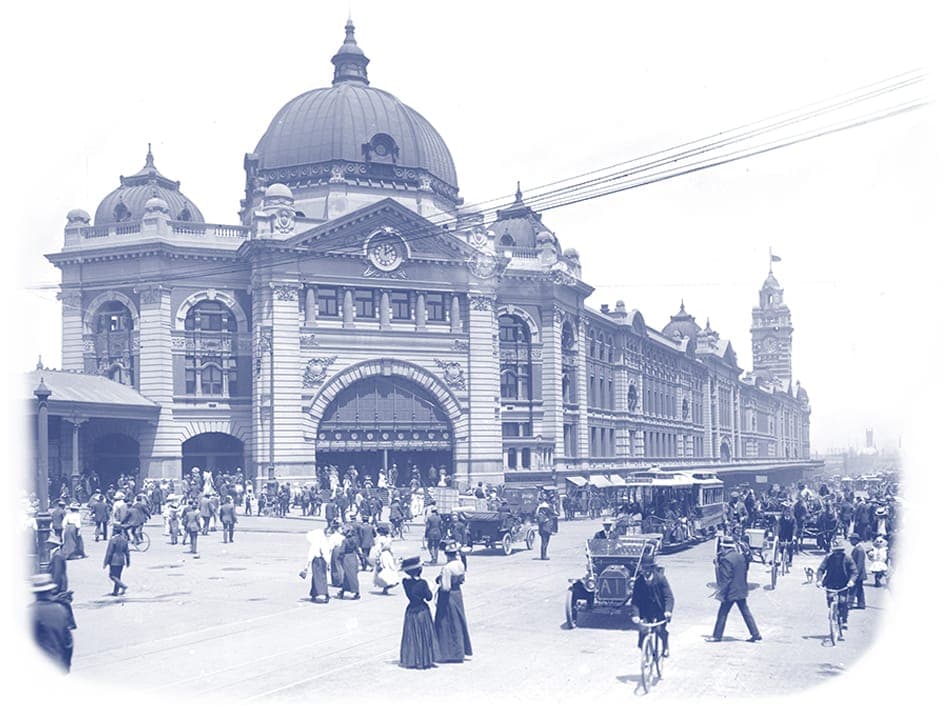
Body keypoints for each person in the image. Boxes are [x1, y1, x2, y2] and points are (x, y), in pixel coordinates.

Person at [708, 535, 762, 642]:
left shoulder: (726, 559)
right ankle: (755, 634)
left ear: (724, 547)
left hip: (731, 591)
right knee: (745, 612)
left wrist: (721, 592)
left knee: (722, 613)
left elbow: (726, 578)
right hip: (741, 588)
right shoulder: (740, 556)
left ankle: (717, 636)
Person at [629, 553, 675, 658]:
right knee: (643, 631)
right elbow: (635, 600)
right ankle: (646, 650)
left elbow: (669, 597)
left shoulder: (661, 579)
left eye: (648, 568)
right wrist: (635, 615)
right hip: (646, 610)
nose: (646, 571)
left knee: (659, 630)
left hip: (660, 610)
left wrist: (668, 611)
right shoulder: (639, 581)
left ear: (652, 568)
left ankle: (665, 645)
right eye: (644, 568)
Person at [434, 541, 472, 662]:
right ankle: (460, 651)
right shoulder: (460, 564)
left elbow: (445, 586)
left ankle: (447, 652)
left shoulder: (447, 568)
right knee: (458, 620)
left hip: (448, 596)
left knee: (446, 622)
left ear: (446, 554)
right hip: (457, 594)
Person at [398, 556, 439, 669]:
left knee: (413, 636)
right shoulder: (422, 583)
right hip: (422, 610)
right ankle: (425, 659)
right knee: (424, 635)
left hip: (411, 609)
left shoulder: (405, 582)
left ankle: (413, 659)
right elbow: (429, 597)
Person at [31, 574, 74, 673]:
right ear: (50, 590)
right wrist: (66, 665)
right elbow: (68, 642)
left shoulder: (30, 612)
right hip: (58, 663)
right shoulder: (61, 610)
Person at [816, 536, 858, 633]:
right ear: (833, 551)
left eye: (840, 552)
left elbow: (854, 572)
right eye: (836, 552)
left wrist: (851, 581)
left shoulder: (848, 558)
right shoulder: (828, 558)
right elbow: (821, 569)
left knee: (843, 602)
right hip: (830, 582)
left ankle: (844, 620)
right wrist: (819, 580)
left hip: (844, 583)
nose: (838, 554)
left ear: (842, 551)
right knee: (830, 598)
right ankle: (832, 613)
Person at [103, 523, 131, 596]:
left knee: (112, 575)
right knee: (118, 576)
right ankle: (115, 591)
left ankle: (123, 586)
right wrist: (128, 561)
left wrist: (105, 562)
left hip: (114, 560)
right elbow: (127, 552)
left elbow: (109, 552)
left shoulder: (113, 540)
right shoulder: (124, 540)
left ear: (114, 531)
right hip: (121, 560)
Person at [303, 528, 330, 603]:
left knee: (316, 577)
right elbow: (326, 554)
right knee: (322, 577)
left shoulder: (314, 544)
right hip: (323, 561)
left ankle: (322, 593)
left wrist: (306, 567)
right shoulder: (324, 542)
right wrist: (328, 563)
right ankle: (318, 593)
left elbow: (310, 556)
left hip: (316, 562)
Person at [337, 526, 361, 600]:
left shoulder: (345, 541)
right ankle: (343, 590)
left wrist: (339, 558)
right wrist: (361, 558)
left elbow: (342, 551)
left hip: (346, 558)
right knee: (350, 575)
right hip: (353, 557)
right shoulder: (355, 540)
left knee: (349, 575)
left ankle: (355, 591)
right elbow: (357, 550)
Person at [849, 533, 867, 609]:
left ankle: (849, 603)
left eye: (851, 540)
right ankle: (861, 604)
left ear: (856, 540)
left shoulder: (859, 550)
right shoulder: (857, 548)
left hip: (858, 574)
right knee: (859, 589)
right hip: (859, 574)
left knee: (853, 589)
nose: (850, 541)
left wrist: (855, 574)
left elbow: (859, 564)